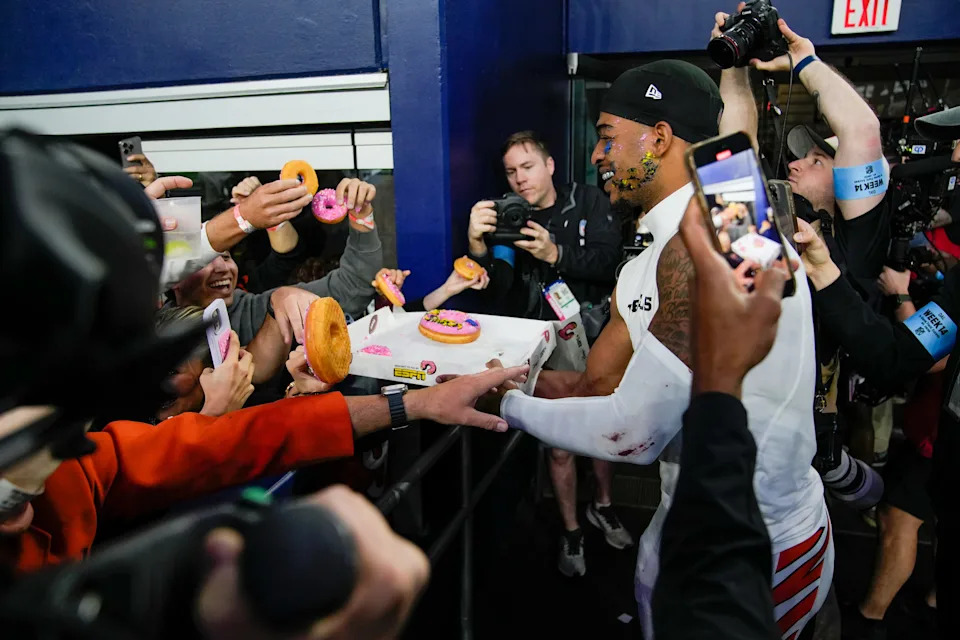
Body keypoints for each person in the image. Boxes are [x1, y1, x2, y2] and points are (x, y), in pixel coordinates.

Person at [497, 59, 829, 639]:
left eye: (606, 137)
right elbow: (600, 387)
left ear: (659, 137)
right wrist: (507, 375)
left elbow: (632, 433)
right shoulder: (709, 217)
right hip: (692, 524)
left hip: (755, 550)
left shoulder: (711, 231)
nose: (596, 156)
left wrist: (501, 405)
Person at [466, 130, 629, 577]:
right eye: (511, 172)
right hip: (541, 341)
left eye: (528, 166)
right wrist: (480, 248)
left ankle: (604, 504)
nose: (520, 179)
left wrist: (555, 253)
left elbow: (609, 262)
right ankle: (572, 529)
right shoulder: (508, 216)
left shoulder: (590, 202)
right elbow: (499, 291)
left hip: (594, 334)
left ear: (550, 165)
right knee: (559, 447)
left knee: (604, 430)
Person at [653, 189, 789, 640]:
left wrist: (716, 378)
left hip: (769, 536)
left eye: (607, 134)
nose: (597, 153)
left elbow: (714, 596)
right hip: (742, 531)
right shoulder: (769, 264)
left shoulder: (708, 261)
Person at [169, 177, 383, 346]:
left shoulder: (255, 311)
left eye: (226, 256)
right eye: (204, 260)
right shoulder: (153, 329)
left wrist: (361, 214)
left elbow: (352, 286)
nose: (223, 267)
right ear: (172, 275)